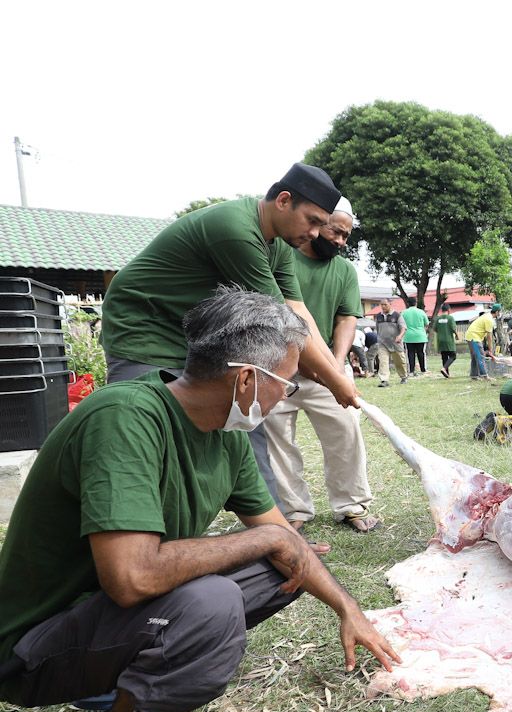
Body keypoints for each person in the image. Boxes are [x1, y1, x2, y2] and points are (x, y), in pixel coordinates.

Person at [0, 287, 399, 712]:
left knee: (285, 568)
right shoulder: (124, 419)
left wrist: (349, 609)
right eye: (289, 382)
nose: (288, 395)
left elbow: (284, 543)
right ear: (248, 379)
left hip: (93, 620)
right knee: (211, 603)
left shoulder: (225, 433)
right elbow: (133, 579)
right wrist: (268, 539)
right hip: (30, 650)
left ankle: (111, 683)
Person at [100, 162, 360, 505]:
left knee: (246, 419)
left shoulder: (280, 245)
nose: (315, 234)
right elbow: (282, 320)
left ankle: (277, 534)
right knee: (143, 427)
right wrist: (334, 382)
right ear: (283, 201)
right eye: (312, 221)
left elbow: (299, 313)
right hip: (144, 328)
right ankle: (135, 524)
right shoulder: (235, 229)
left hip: (200, 335)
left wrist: (337, 373)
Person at [262, 199, 380, 534]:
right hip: (276, 369)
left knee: (345, 432)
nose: (341, 241)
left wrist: (336, 365)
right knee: (277, 442)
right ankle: (294, 509)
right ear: (318, 224)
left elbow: (346, 319)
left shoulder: (344, 271)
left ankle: (351, 505)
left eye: (346, 236)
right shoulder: (281, 258)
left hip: (324, 372)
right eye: (336, 232)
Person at [373, 299, 407, 386]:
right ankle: (384, 380)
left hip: (396, 343)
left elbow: (403, 328)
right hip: (382, 343)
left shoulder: (397, 315)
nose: (383, 306)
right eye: (382, 305)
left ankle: (403, 377)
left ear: (390, 304)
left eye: (385, 304)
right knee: (383, 361)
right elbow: (377, 328)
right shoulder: (378, 316)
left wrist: (399, 336)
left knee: (399, 361)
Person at [465, 304, 501, 381]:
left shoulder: (487, 316)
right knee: (480, 356)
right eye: (499, 312)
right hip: (474, 337)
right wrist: (491, 349)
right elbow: (489, 337)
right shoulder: (489, 320)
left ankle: (474, 376)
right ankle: (485, 376)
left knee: (475, 356)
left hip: (471, 335)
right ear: (497, 312)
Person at [401, 296, 429, 376]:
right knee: (421, 353)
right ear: (416, 303)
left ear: (407, 303)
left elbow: (401, 324)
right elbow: (427, 324)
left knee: (410, 353)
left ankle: (411, 371)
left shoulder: (403, 313)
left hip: (408, 336)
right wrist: (422, 330)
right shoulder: (421, 312)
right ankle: (423, 370)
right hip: (420, 336)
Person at [433, 303, 459, 378]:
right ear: (449, 310)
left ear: (442, 310)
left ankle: (446, 374)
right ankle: (444, 368)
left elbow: (435, 329)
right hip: (449, 340)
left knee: (444, 357)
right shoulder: (450, 318)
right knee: (453, 356)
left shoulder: (438, 318)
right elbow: (453, 328)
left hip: (440, 340)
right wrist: (457, 335)